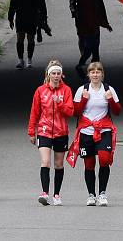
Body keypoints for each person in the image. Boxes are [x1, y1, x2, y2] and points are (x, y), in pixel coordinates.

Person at [67, 62, 121, 207]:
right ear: (88, 74)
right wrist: (84, 99)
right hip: (86, 131)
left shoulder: (109, 89)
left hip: (104, 130)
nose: (95, 74)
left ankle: (102, 193)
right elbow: (75, 112)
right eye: (92, 72)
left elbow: (117, 111)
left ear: (102, 74)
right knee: (89, 164)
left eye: (98, 72)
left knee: (104, 159)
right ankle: (91, 195)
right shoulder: (82, 89)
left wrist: (109, 99)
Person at [28, 60, 74, 206]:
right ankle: (45, 193)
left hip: (61, 132)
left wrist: (59, 103)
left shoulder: (66, 90)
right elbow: (34, 112)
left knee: (58, 164)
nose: (56, 76)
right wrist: (31, 131)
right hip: (44, 130)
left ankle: (57, 195)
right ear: (48, 75)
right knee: (45, 162)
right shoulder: (40, 91)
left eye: (58, 73)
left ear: (62, 75)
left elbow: (70, 112)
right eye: (53, 73)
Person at [69, 0, 113, 80]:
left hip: (93, 23)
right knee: (91, 48)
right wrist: (74, 13)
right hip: (84, 23)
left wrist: (105, 22)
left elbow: (101, 6)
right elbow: (72, 3)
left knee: (94, 49)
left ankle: (94, 73)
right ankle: (83, 67)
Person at [9, 0, 45, 69]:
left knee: (30, 39)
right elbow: (12, 4)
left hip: (32, 16)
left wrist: (42, 17)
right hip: (20, 16)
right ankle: (20, 60)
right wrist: (10, 17)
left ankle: (29, 59)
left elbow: (41, 4)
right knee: (20, 38)